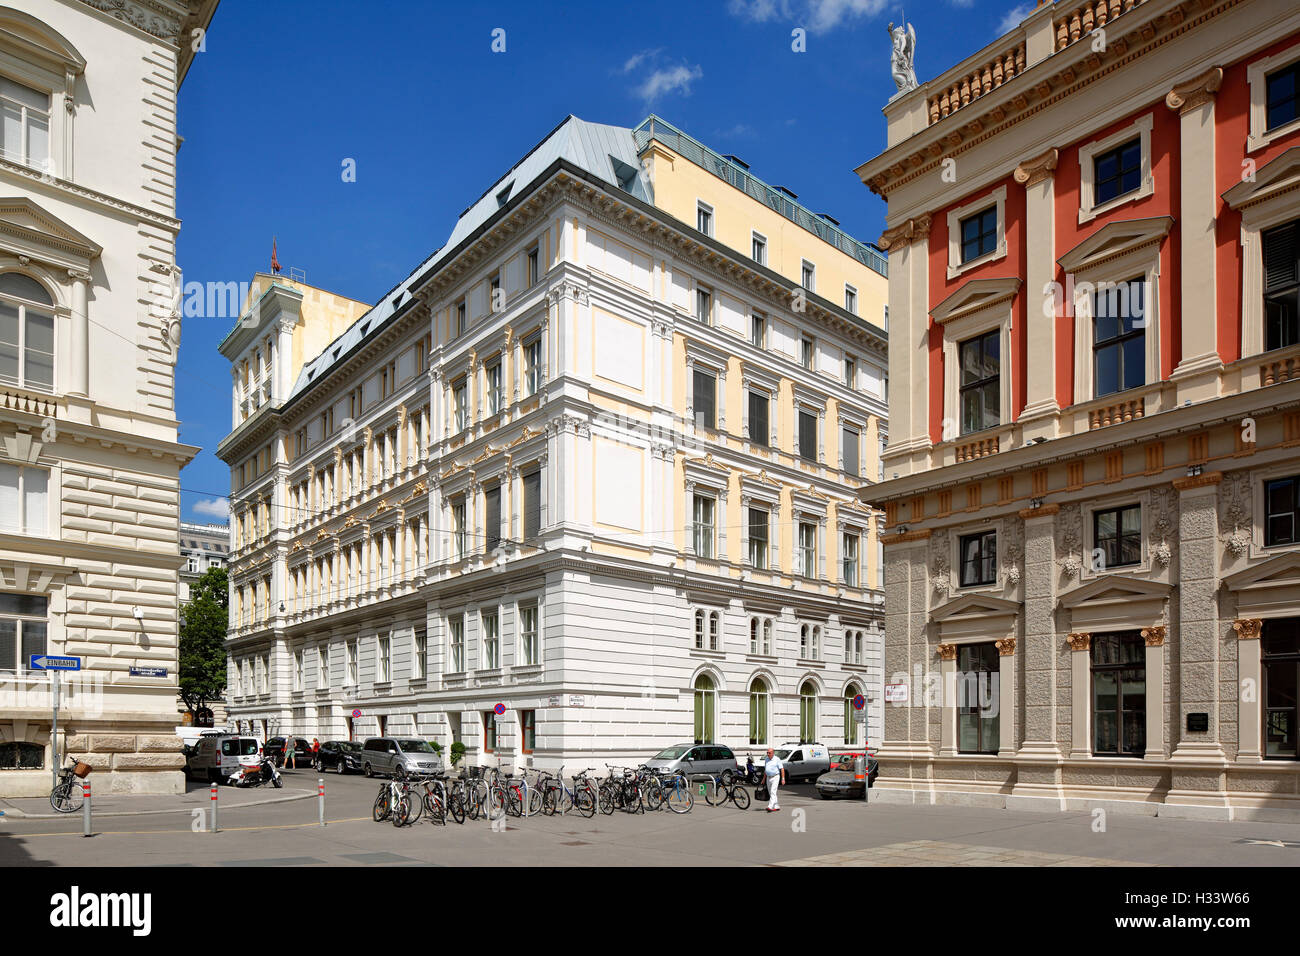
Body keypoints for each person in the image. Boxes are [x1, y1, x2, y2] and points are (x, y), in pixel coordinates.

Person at [763, 747, 785, 812]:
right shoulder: (766, 759)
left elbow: (782, 769)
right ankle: (776, 806)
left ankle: (770, 806)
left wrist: (783, 778)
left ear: (773, 753)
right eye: (767, 752)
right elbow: (765, 770)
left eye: (769, 753)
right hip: (768, 777)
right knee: (771, 792)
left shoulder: (777, 759)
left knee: (773, 791)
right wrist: (763, 779)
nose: (768, 754)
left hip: (775, 777)